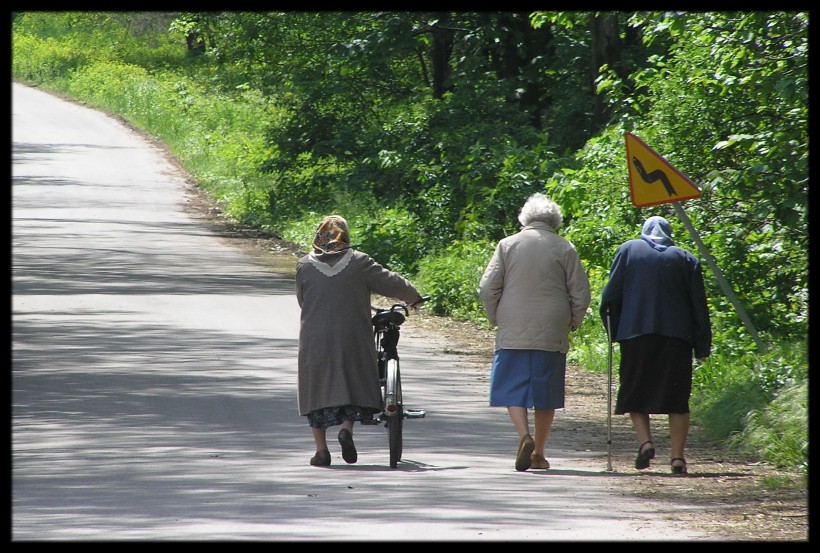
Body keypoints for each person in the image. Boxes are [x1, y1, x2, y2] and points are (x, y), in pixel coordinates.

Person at [296, 215, 424, 467]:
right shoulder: (359, 262)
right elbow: (391, 282)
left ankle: (321, 450)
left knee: (316, 386)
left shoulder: (304, 266)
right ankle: (346, 429)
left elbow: (303, 301)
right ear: (345, 235)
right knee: (350, 378)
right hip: (352, 334)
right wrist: (414, 297)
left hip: (315, 337)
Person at [479, 193, 591, 471]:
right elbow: (581, 292)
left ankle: (524, 436)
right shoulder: (565, 247)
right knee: (546, 390)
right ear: (555, 221)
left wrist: (495, 317)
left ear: (524, 218)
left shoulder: (507, 245)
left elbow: (487, 288)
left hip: (513, 322)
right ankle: (538, 452)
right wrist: (574, 321)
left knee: (510, 387)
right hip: (552, 324)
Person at [600, 215, 712, 475]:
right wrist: (702, 346)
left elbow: (610, 297)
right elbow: (699, 308)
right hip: (676, 338)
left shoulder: (628, 251)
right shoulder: (687, 259)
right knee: (677, 399)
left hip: (636, 335)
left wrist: (614, 331)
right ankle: (677, 458)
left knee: (636, 392)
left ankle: (645, 443)